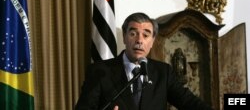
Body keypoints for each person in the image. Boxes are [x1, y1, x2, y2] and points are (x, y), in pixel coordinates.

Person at [75, 12, 214, 110]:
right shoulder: (100, 71)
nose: (139, 41)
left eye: (146, 35)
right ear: (124, 37)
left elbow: (190, 103)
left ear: (152, 41)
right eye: (133, 33)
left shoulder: (162, 72)